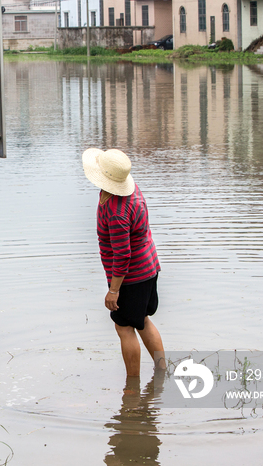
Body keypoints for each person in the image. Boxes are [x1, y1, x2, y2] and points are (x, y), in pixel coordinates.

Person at [82, 148, 165, 377]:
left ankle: (132, 387)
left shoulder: (116, 211)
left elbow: (122, 255)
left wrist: (113, 290)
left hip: (132, 277)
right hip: (149, 267)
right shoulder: (130, 189)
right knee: (142, 321)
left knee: (124, 327)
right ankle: (162, 371)